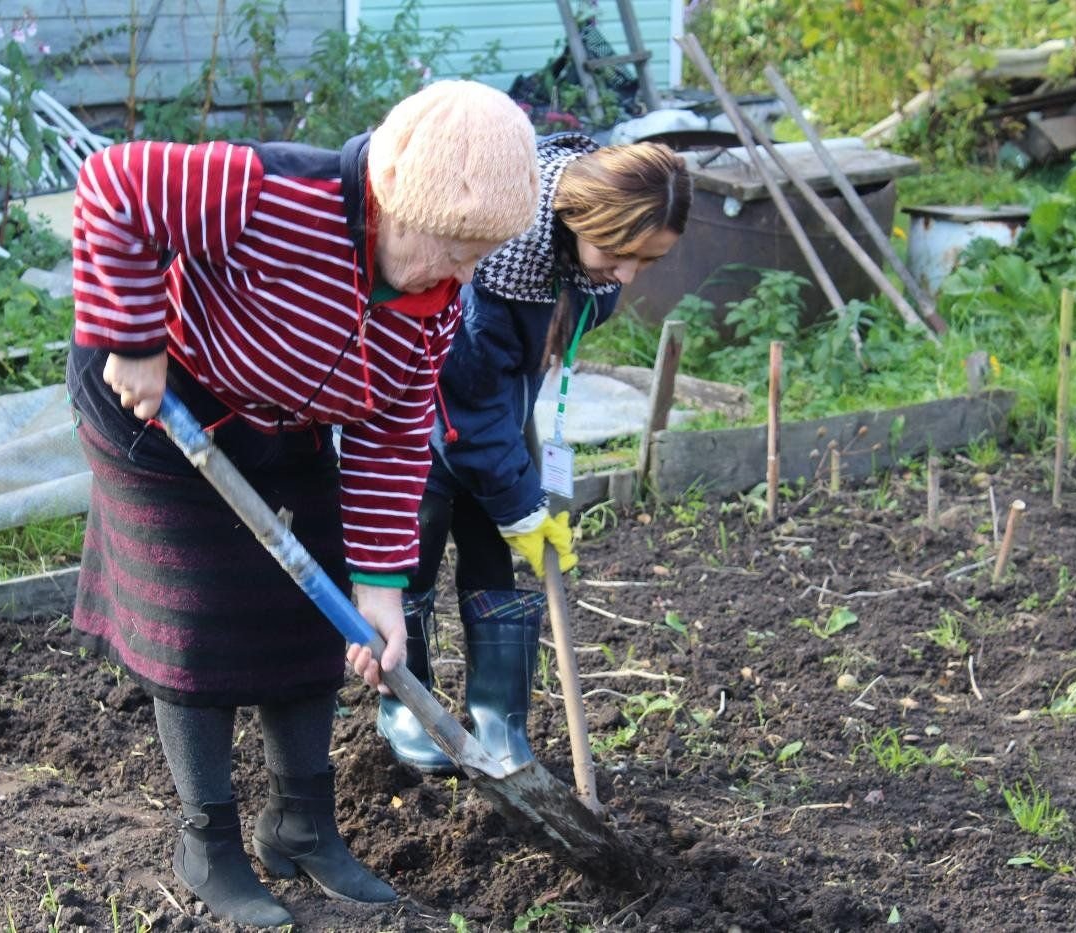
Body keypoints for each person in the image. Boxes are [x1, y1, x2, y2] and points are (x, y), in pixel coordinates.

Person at [65, 80, 539, 927]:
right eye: (455, 243)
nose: (465, 272)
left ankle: (300, 822)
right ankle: (206, 840)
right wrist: (133, 338)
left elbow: (395, 433)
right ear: (395, 196)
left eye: (482, 251)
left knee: (309, 610)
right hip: (157, 404)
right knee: (198, 618)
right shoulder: (276, 195)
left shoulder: (433, 303)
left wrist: (381, 592)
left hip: (282, 417)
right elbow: (112, 186)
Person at [370, 134, 692, 775]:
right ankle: (408, 704)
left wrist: (524, 495)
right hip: (420, 425)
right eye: (621, 254)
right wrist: (523, 506)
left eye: (646, 262)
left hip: (492, 418)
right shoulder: (495, 271)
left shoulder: (582, 252)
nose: (628, 275)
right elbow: (465, 408)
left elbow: (508, 389)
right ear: (579, 221)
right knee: (413, 558)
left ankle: (500, 720)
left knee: (493, 558)